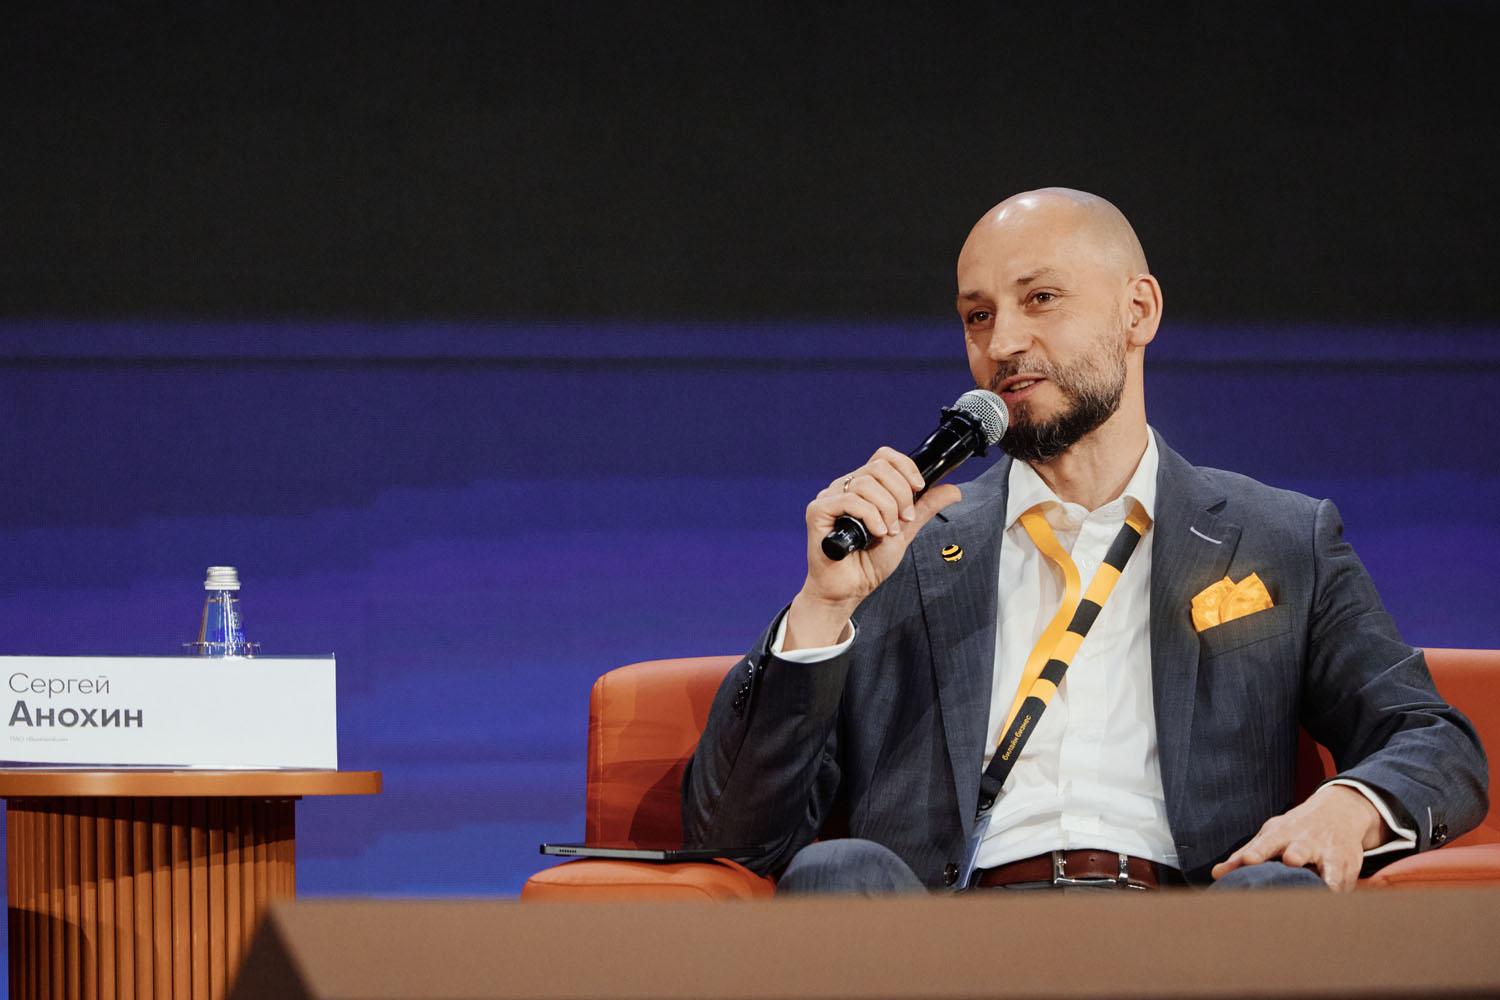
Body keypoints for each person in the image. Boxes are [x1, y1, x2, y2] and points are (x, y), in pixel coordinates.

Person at [681, 187, 1487, 893]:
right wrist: (823, 607)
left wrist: (1347, 809)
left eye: (1040, 299)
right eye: (978, 316)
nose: (1001, 344)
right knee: (837, 871)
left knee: (1279, 895)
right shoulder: (902, 553)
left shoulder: (1278, 538)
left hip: (1199, 938)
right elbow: (733, 836)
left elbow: (1433, 741)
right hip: (943, 951)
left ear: (1139, 311)